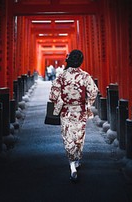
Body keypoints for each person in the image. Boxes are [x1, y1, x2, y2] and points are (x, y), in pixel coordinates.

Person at [49, 49, 98, 182]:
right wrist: (87, 103)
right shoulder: (85, 76)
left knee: (67, 136)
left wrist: (60, 102)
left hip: (66, 111)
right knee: (79, 136)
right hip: (80, 111)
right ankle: (77, 159)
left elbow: (53, 95)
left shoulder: (61, 76)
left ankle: (72, 164)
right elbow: (93, 91)